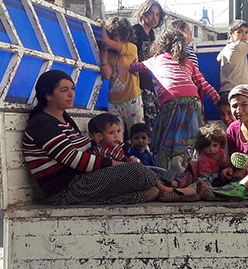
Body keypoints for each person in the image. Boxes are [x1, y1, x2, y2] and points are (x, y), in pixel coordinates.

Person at [22, 70, 173, 205]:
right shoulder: (41, 124)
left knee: (151, 169)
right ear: (48, 95)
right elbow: (75, 160)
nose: (71, 94)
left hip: (84, 180)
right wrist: (116, 163)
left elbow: (89, 149)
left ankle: (171, 187)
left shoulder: (65, 119)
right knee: (135, 170)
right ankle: (169, 192)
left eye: (72, 89)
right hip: (67, 189)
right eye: (64, 90)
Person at [130, 27, 220, 174]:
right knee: (191, 140)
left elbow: (135, 67)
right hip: (193, 102)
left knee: (165, 140)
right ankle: (191, 173)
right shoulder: (187, 63)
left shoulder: (155, 60)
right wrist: (218, 101)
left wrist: (127, 64)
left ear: (160, 44)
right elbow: (203, 84)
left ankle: (164, 175)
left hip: (171, 102)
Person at [98, 17, 142, 141]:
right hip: (114, 101)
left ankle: (142, 159)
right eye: (115, 36)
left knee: (138, 134)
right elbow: (107, 75)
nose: (118, 40)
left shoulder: (131, 48)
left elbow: (105, 41)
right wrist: (104, 58)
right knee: (116, 137)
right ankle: (120, 159)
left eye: (120, 36)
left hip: (131, 98)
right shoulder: (110, 54)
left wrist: (104, 27)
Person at [132, 0, 166, 134]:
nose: (154, 18)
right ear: (143, 13)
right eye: (151, 13)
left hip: (151, 84)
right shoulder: (135, 31)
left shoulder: (152, 36)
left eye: (157, 15)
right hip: (136, 83)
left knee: (153, 121)